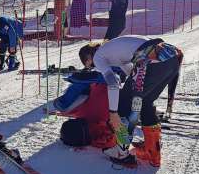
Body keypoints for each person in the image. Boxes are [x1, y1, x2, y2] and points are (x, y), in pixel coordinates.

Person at [78, 35, 183, 167]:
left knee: (122, 104)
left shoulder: (98, 56)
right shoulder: (112, 49)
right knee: (144, 102)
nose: (95, 67)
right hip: (171, 59)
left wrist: (113, 112)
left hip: (151, 60)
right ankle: (152, 152)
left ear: (88, 58)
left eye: (91, 66)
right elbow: (130, 74)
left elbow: (113, 83)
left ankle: (121, 151)